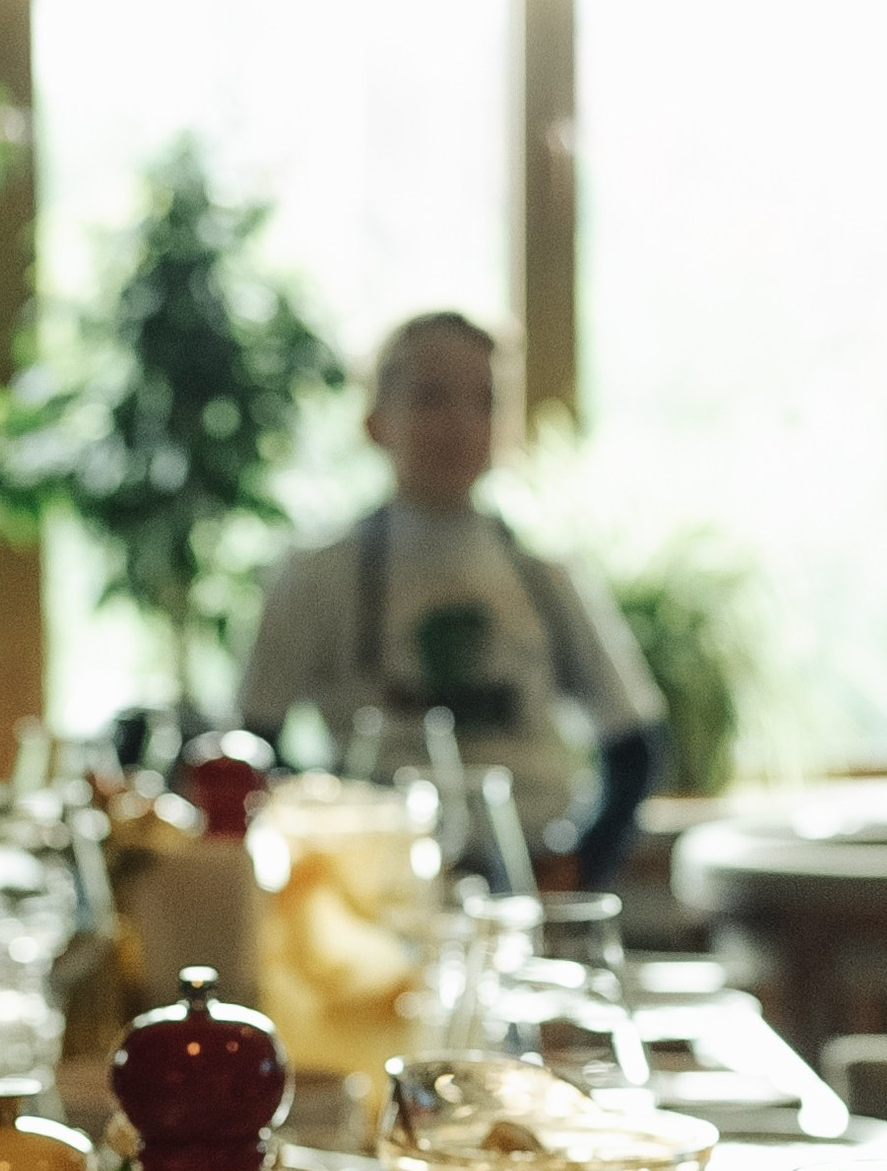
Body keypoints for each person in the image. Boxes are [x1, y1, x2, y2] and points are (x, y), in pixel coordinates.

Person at [234, 311, 665, 883]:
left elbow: (635, 744)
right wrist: (325, 853)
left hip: (524, 875)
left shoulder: (544, 577)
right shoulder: (316, 578)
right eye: (430, 398)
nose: (458, 424)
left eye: (483, 401)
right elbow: (251, 746)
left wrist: (578, 868)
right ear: (374, 421)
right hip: (378, 884)